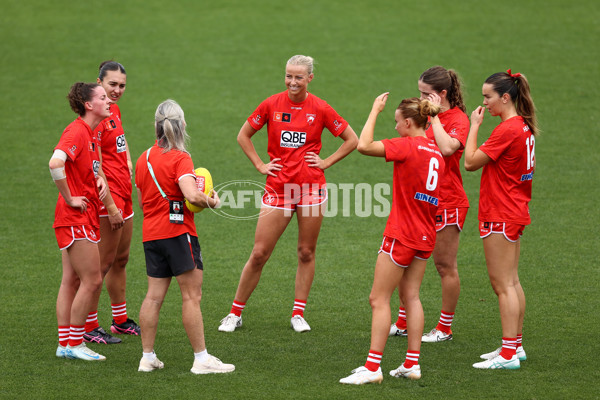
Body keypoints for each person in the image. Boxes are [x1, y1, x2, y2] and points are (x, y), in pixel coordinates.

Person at [218, 55, 358, 333]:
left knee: (306, 252)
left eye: (298, 77)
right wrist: (260, 164)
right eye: (288, 76)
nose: (292, 82)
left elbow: (352, 139)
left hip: (311, 190)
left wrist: (326, 162)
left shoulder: (320, 108)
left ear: (310, 78)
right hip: (278, 190)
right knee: (259, 253)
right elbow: (243, 135)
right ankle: (234, 313)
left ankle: (298, 313)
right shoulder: (271, 104)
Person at [340, 94, 444, 384]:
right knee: (411, 296)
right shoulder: (436, 152)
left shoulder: (407, 145)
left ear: (409, 123)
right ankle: (412, 363)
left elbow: (363, 145)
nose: (396, 127)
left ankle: (373, 368)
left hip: (402, 235)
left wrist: (374, 110)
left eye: (397, 123)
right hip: (425, 235)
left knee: (379, 298)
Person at [135, 99, 234, 374]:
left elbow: (144, 196)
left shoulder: (142, 158)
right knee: (191, 296)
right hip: (178, 233)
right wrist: (212, 201)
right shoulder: (181, 158)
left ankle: (147, 356)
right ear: (182, 126)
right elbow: (191, 196)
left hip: (151, 235)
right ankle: (201, 359)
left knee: (153, 297)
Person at [389, 67, 470, 343]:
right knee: (406, 259)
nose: (421, 98)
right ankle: (402, 322)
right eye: (420, 92)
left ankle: (444, 328)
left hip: (448, 201)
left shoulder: (458, 119)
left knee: (444, 265)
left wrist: (434, 118)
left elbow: (448, 148)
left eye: (427, 94)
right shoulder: (424, 113)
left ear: (443, 94)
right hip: (421, 202)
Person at [464, 69, 538, 369]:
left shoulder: (506, 130)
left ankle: (508, 355)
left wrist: (474, 126)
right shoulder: (524, 126)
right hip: (516, 209)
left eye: (488, 97)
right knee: (513, 281)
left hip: (501, 213)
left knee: (503, 285)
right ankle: (514, 347)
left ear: (505, 97)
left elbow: (469, 162)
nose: (485, 102)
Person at [51, 82, 111, 361]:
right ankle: (75, 344)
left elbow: (79, 167)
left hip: (76, 217)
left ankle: (65, 344)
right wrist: (71, 197)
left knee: (71, 280)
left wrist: (94, 179)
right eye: (102, 97)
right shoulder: (77, 131)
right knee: (92, 280)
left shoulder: (90, 132)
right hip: (76, 216)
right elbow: (55, 162)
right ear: (89, 105)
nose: (108, 99)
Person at [82, 61, 140, 345]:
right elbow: (95, 166)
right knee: (101, 265)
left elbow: (119, 138)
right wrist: (111, 207)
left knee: (121, 259)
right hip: (109, 200)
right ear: (99, 83)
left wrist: (128, 159)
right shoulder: (95, 116)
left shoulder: (112, 109)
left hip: (125, 193)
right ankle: (89, 326)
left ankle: (119, 321)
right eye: (112, 85)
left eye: (121, 85)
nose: (117, 91)